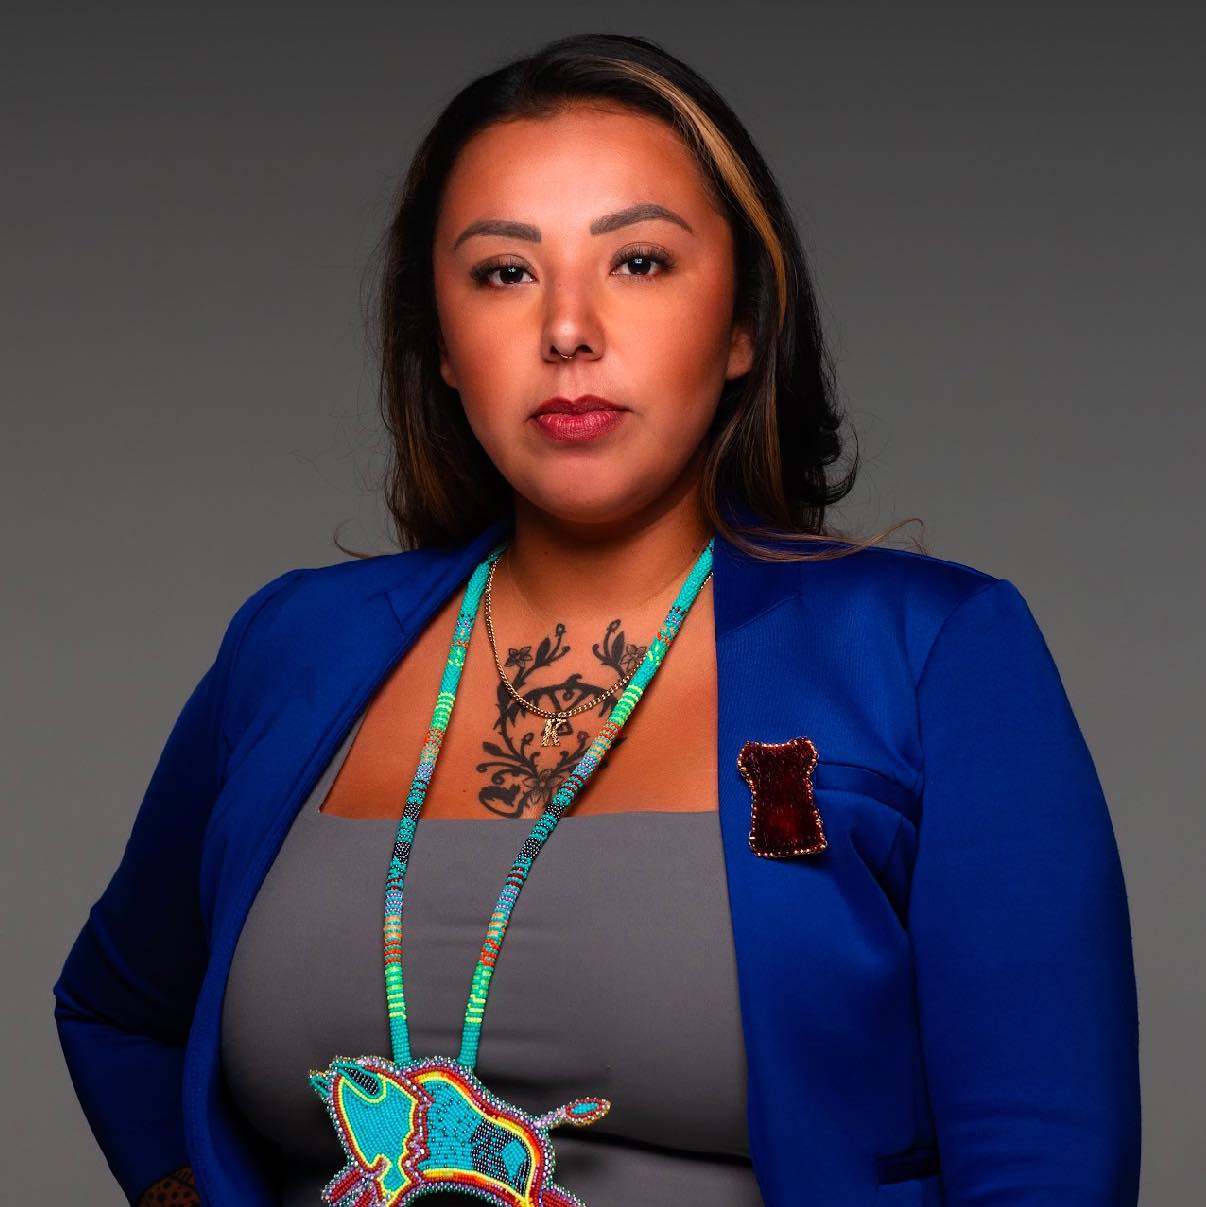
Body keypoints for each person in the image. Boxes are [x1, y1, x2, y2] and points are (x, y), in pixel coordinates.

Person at [53, 32, 1141, 1207]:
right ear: (442, 348)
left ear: (742, 324)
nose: (568, 328)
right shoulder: (291, 649)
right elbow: (120, 1012)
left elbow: (1043, 1156)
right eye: (504, 273)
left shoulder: (933, 653)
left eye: (638, 261)